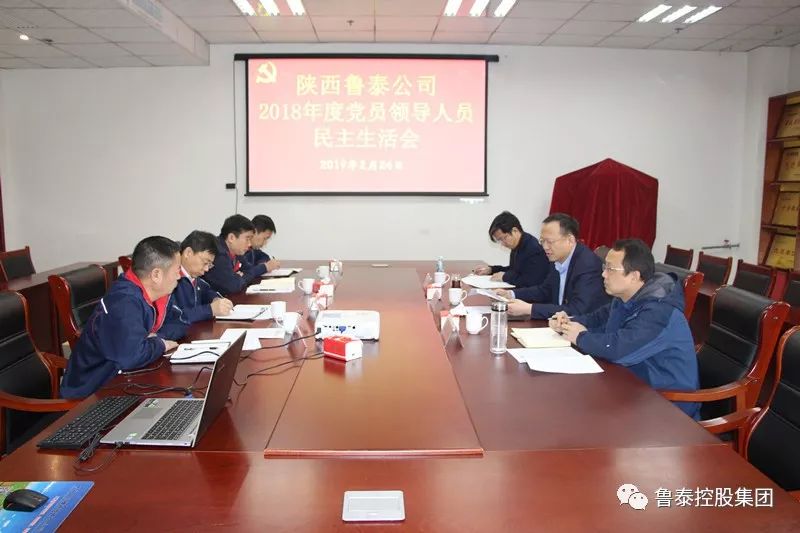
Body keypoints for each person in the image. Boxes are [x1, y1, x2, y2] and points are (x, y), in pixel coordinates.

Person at [554, 239, 700, 418]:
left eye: (610, 269)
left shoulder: (659, 311)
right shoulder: (625, 297)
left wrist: (580, 336)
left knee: (584, 414)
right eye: (604, 267)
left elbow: (619, 349)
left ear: (634, 276)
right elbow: (596, 320)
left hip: (668, 407)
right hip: (632, 388)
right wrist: (566, 321)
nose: (603, 275)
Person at [61, 236, 183, 398]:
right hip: (91, 393)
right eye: (177, 270)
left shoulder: (146, 293)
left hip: (119, 381)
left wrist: (152, 341)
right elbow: (131, 356)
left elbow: (180, 322)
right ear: (156, 275)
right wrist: (160, 344)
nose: (179, 276)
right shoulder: (125, 302)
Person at [501, 213, 609, 319]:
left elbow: (577, 310)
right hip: (559, 323)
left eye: (549, 241)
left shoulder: (587, 264)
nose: (545, 247)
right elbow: (545, 290)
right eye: (542, 241)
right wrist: (511, 294)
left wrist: (530, 309)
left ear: (570, 240)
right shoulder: (556, 258)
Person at [169, 230, 234, 324]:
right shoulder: (169, 281)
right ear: (188, 253)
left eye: (210, 265)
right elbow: (175, 317)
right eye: (205, 262)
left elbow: (206, 291)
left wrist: (215, 299)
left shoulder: (194, 277)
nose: (207, 269)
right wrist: (210, 310)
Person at [473, 211, 550, 288]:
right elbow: (514, 270)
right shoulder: (517, 244)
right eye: (499, 240)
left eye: (504, 238)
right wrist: (491, 270)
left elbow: (531, 281)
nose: (502, 244)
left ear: (515, 231)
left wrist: (505, 277)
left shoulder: (533, 249)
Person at [203, 215, 266, 295]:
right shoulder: (218, 253)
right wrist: (239, 277)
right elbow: (233, 286)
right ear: (231, 238)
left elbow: (250, 270)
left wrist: (239, 277)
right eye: (247, 239)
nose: (249, 244)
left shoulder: (236, 251)